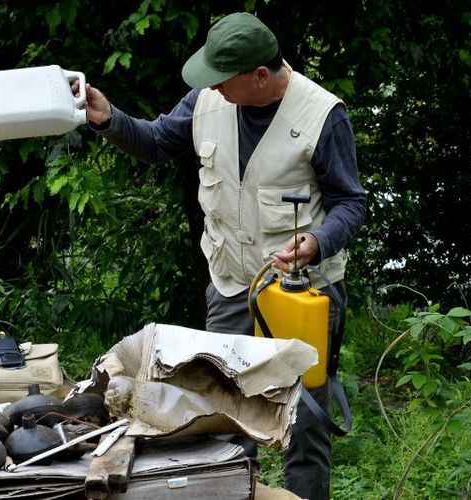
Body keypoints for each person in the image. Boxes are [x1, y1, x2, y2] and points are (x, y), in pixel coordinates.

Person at [74, 12, 365, 500]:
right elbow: (158, 141)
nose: (211, 88)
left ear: (259, 76)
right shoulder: (208, 99)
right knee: (225, 416)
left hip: (301, 295)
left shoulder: (322, 115)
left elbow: (350, 203)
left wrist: (317, 242)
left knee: (306, 422)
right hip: (231, 286)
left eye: (222, 79)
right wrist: (109, 119)